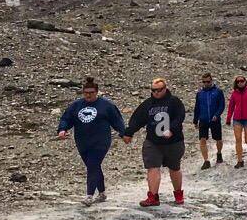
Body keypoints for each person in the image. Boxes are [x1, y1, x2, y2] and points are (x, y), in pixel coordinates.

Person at [56, 76, 126, 205]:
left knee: (93, 165)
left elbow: (117, 120)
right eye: (86, 93)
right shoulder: (76, 105)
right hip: (82, 142)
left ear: (97, 92)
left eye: (91, 93)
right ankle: (102, 193)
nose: (88, 95)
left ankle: (89, 195)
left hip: (101, 142)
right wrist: (62, 129)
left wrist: (124, 133)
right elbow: (66, 118)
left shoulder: (106, 105)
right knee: (93, 166)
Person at [124, 77, 186, 207]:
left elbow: (180, 117)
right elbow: (138, 119)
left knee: (174, 168)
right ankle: (153, 196)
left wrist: (171, 129)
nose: (156, 93)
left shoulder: (174, 101)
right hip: (153, 141)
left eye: (159, 90)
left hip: (173, 141)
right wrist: (129, 132)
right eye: (153, 90)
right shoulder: (148, 104)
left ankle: (178, 194)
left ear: (165, 89)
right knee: (152, 167)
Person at [225, 75, 247, 168]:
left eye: (242, 81)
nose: (240, 83)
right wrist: (228, 119)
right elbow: (231, 107)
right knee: (238, 139)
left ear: (245, 81)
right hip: (237, 119)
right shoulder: (234, 93)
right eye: (238, 81)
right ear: (236, 83)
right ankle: (240, 161)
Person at [194, 72, 225, 169]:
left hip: (214, 119)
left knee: (218, 139)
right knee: (202, 139)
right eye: (204, 82)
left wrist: (217, 115)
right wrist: (195, 120)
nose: (206, 83)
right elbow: (197, 107)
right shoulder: (200, 93)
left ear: (211, 81)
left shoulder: (218, 91)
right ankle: (206, 161)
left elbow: (222, 105)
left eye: (208, 81)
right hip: (203, 119)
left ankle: (219, 153)